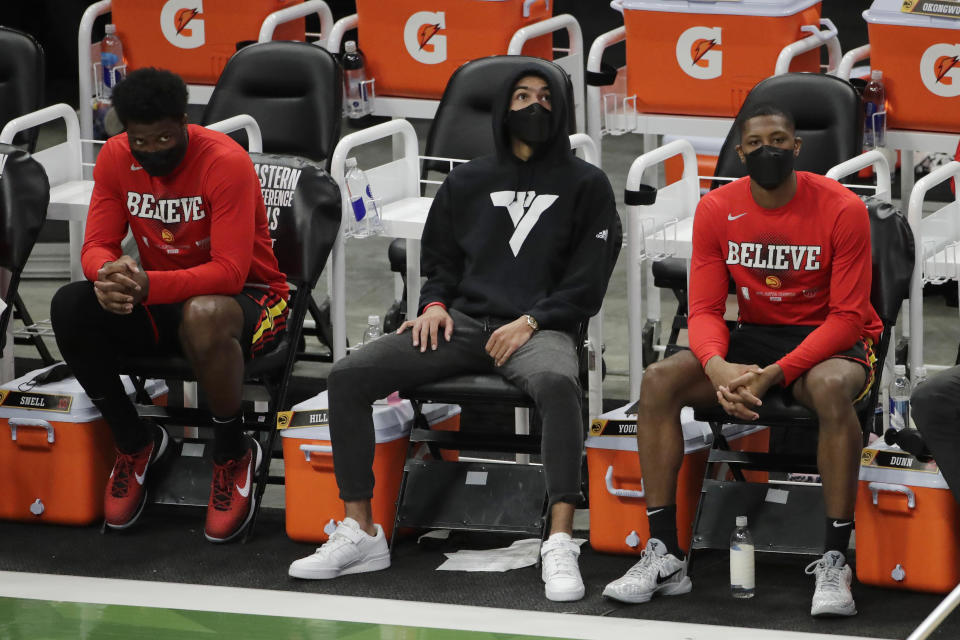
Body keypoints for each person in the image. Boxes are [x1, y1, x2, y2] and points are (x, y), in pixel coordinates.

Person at [287, 65, 621, 602]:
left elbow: (587, 284)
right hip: (462, 323)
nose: (533, 107)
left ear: (561, 110)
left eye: (544, 97)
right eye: (521, 96)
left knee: (560, 385)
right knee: (349, 375)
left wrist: (531, 321)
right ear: (501, 109)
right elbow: (439, 262)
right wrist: (434, 304)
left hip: (540, 328)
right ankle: (363, 531)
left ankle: (559, 536)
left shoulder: (587, 184)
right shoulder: (466, 180)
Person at [603, 105, 881, 617]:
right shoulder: (717, 207)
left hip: (829, 342)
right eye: (755, 143)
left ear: (797, 148)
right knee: (658, 380)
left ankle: (835, 560)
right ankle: (665, 554)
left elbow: (847, 319)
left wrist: (775, 372)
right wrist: (716, 366)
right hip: (753, 337)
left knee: (829, 389)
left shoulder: (842, 208)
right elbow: (705, 310)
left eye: (779, 139)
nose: (767, 150)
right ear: (740, 152)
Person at [50, 68, 288, 543]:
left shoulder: (225, 161)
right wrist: (107, 275)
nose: (154, 149)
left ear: (183, 121)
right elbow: (96, 244)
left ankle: (231, 453)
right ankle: (136, 442)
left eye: (163, 137)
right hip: (163, 296)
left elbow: (230, 272)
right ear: (124, 133)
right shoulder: (116, 158)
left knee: (204, 312)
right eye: (142, 140)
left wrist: (145, 287)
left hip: (251, 302)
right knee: (71, 304)